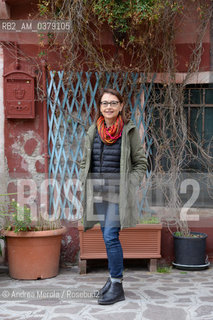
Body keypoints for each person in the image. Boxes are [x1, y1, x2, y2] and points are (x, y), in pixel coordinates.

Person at [80, 88, 147, 305]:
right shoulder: (93, 130)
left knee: (110, 236)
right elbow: (85, 159)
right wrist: (84, 178)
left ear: (120, 106)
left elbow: (141, 163)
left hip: (117, 194)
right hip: (98, 193)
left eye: (113, 103)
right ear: (100, 107)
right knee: (108, 237)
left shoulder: (129, 131)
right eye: (104, 103)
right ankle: (112, 280)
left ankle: (117, 284)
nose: (108, 106)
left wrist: (129, 185)